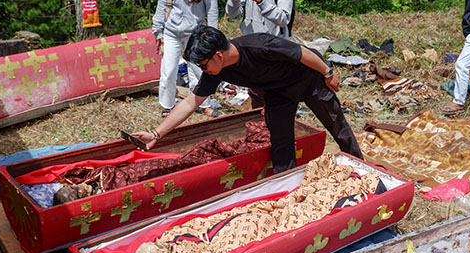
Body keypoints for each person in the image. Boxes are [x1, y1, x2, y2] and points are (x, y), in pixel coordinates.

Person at [132, 25, 364, 173]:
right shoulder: (216, 69)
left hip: (308, 78)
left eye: (203, 64)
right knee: (281, 142)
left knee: (337, 125)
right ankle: (287, 186)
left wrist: (328, 73)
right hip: (278, 92)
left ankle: (362, 169)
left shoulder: (259, 45)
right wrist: (156, 134)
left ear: (218, 55)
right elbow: (192, 101)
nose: (203, 70)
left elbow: (302, 53)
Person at [225, 0, 295, 108]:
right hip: (250, 48)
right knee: (256, 93)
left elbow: (283, 18)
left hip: (273, 49)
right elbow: (232, 14)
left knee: (275, 94)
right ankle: (259, 128)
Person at [152, 0, 219, 117]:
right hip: (171, 32)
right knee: (168, 69)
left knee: (199, 69)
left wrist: (212, 39)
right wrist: (158, 31)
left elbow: (212, 12)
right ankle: (167, 105)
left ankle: (203, 104)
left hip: (196, 33)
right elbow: (161, 7)